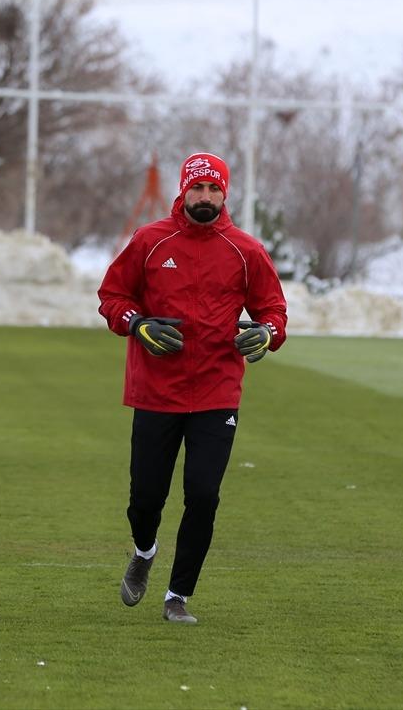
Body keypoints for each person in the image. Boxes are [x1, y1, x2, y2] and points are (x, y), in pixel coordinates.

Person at [98, 152, 288, 624]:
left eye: (214, 189)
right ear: (183, 191)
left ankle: (177, 596)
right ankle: (144, 551)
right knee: (145, 500)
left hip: (216, 393)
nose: (206, 196)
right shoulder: (149, 240)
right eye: (197, 188)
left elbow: (273, 310)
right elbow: (112, 296)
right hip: (155, 391)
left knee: (203, 495)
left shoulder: (246, 250)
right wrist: (137, 323)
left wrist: (267, 333)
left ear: (225, 193)